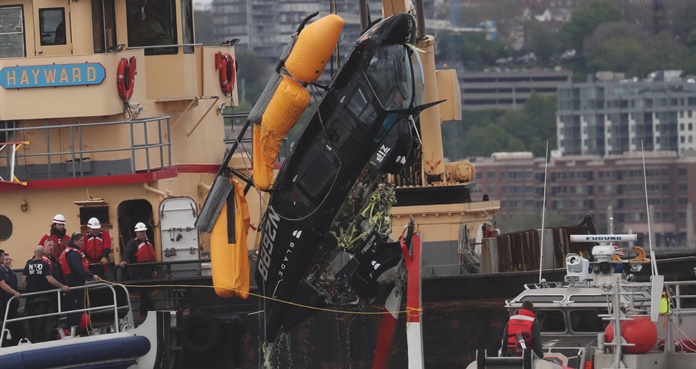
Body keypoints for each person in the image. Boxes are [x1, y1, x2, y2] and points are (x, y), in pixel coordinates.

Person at [23, 246, 70, 343]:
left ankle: (31, 340)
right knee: (42, 321)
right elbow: (50, 279)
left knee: (32, 320)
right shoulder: (45, 264)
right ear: (43, 253)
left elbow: (23, 282)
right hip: (43, 298)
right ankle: (40, 340)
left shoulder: (28, 265)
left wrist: (29, 290)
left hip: (31, 299)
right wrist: (62, 286)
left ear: (35, 252)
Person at [59, 233, 101, 333]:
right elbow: (79, 268)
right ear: (75, 241)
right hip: (74, 282)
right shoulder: (73, 253)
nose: (83, 243)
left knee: (74, 307)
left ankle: (73, 329)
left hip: (73, 281)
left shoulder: (69, 252)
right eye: (81, 241)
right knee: (75, 308)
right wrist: (91, 275)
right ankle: (74, 330)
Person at [120, 222, 157, 316]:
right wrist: (123, 260)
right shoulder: (133, 243)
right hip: (138, 271)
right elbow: (127, 252)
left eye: (143, 231)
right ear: (136, 232)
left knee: (146, 293)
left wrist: (155, 269)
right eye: (140, 232)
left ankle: (145, 313)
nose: (142, 233)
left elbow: (153, 257)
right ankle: (149, 312)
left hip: (148, 271)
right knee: (145, 293)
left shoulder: (148, 243)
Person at [0, 250, 21, 344]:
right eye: (5, 259)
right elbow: (3, 285)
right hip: (4, 301)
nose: (8, 261)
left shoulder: (11, 273)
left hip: (11, 302)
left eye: (9, 259)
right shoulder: (1, 272)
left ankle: (14, 340)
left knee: (13, 321)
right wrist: (15, 293)